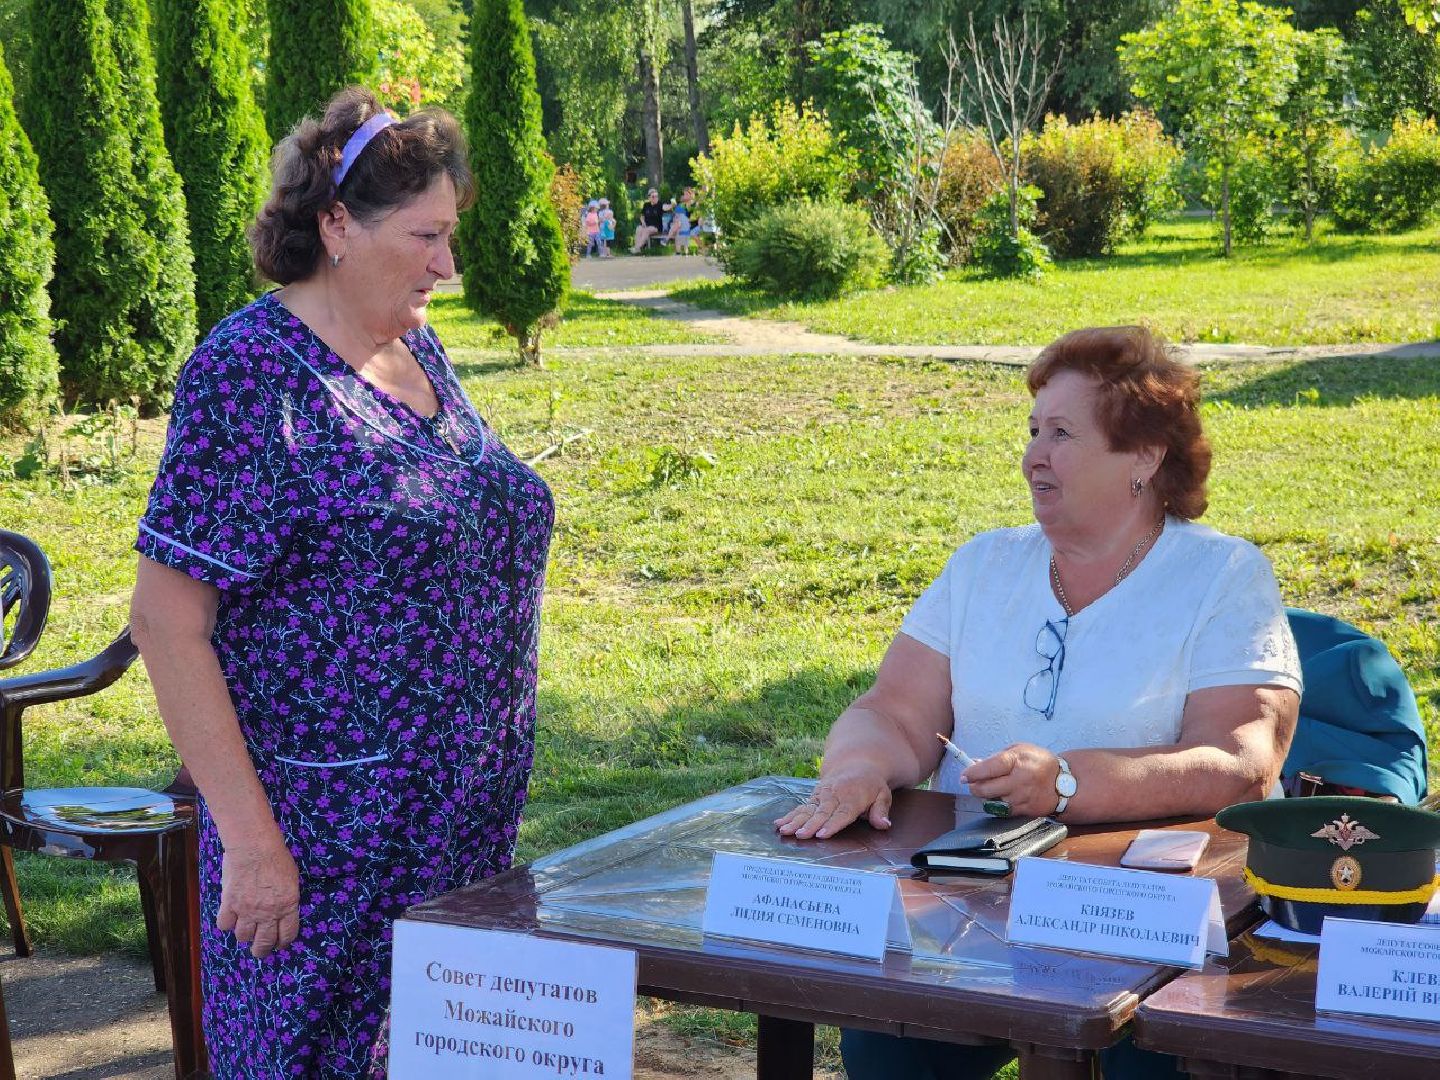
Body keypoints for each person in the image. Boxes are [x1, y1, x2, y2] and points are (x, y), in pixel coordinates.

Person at [129, 87, 554, 1078]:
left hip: (461, 835)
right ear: (336, 227)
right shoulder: (248, 376)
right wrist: (252, 846)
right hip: (325, 853)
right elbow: (165, 620)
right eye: (427, 235)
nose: (449, 264)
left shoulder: (417, 350)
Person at [776, 325, 1302, 1080]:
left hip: (1148, 922)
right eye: (1031, 431)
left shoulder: (1222, 576)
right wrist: (858, 767)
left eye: (1061, 433)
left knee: (1147, 1063)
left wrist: (1066, 783)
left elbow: (1241, 759)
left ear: (1145, 457)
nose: (1033, 455)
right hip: (972, 908)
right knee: (889, 1046)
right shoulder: (984, 564)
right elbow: (894, 710)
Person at [631, 187, 663, 252]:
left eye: (656, 196)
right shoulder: (646, 205)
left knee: (646, 230)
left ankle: (637, 248)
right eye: (653, 196)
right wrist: (642, 222)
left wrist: (671, 206)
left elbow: (665, 208)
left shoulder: (660, 204)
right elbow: (642, 215)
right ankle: (638, 248)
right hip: (646, 225)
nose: (655, 198)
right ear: (649, 198)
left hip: (655, 227)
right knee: (638, 229)